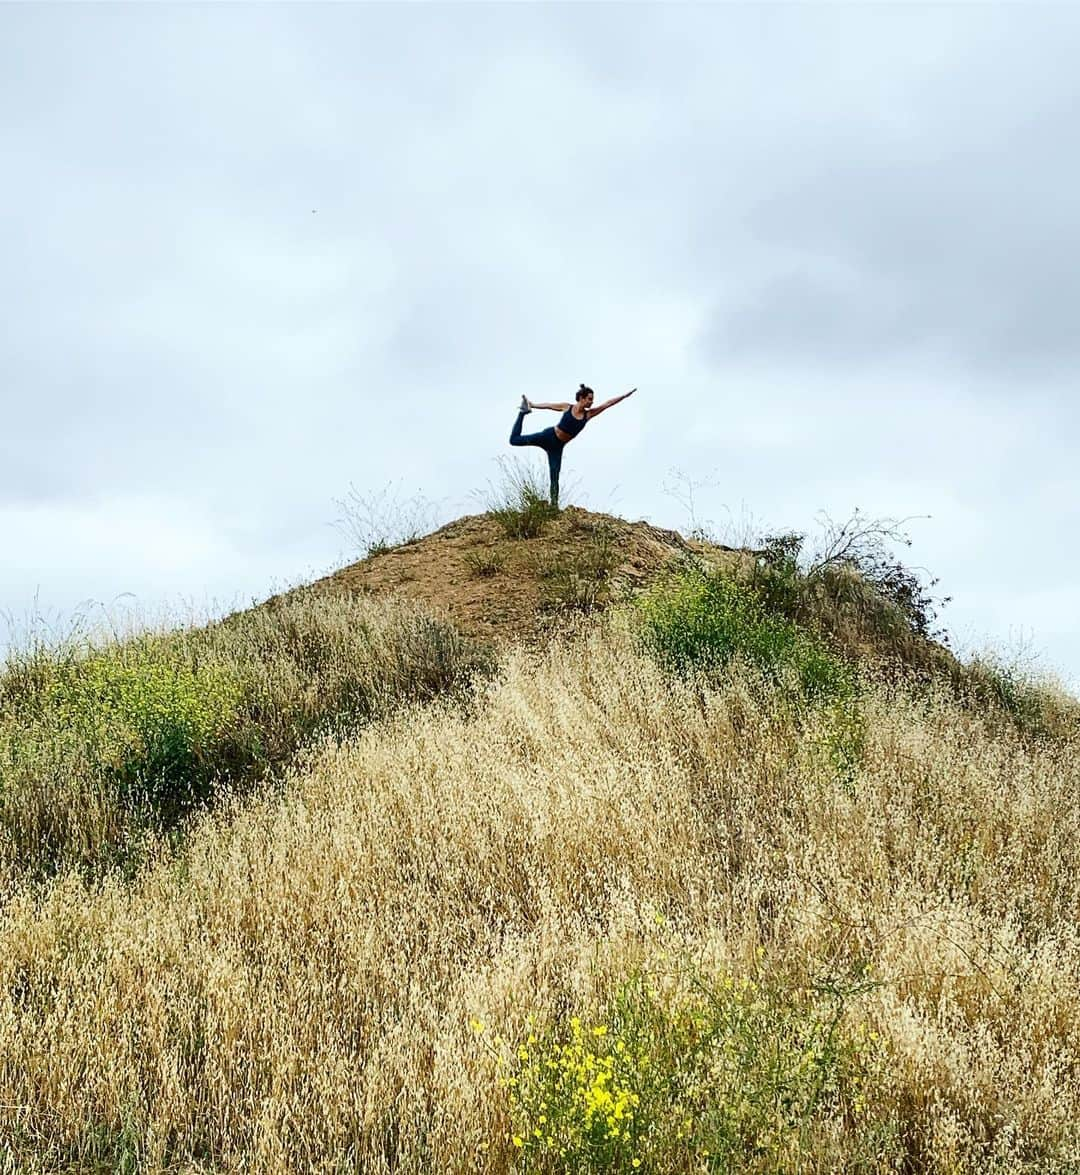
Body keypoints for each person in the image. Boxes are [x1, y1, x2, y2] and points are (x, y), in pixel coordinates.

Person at [509, 384, 636, 507]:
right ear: (582, 398)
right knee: (515, 440)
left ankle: (554, 506)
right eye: (590, 399)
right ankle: (522, 413)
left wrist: (624, 396)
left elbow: (607, 404)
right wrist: (533, 405)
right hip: (548, 436)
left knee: (555, 474)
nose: (591, 402)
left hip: (557, 447)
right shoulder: (567, 407)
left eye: (592, 400)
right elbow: (549, 405)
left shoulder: (588, 414)